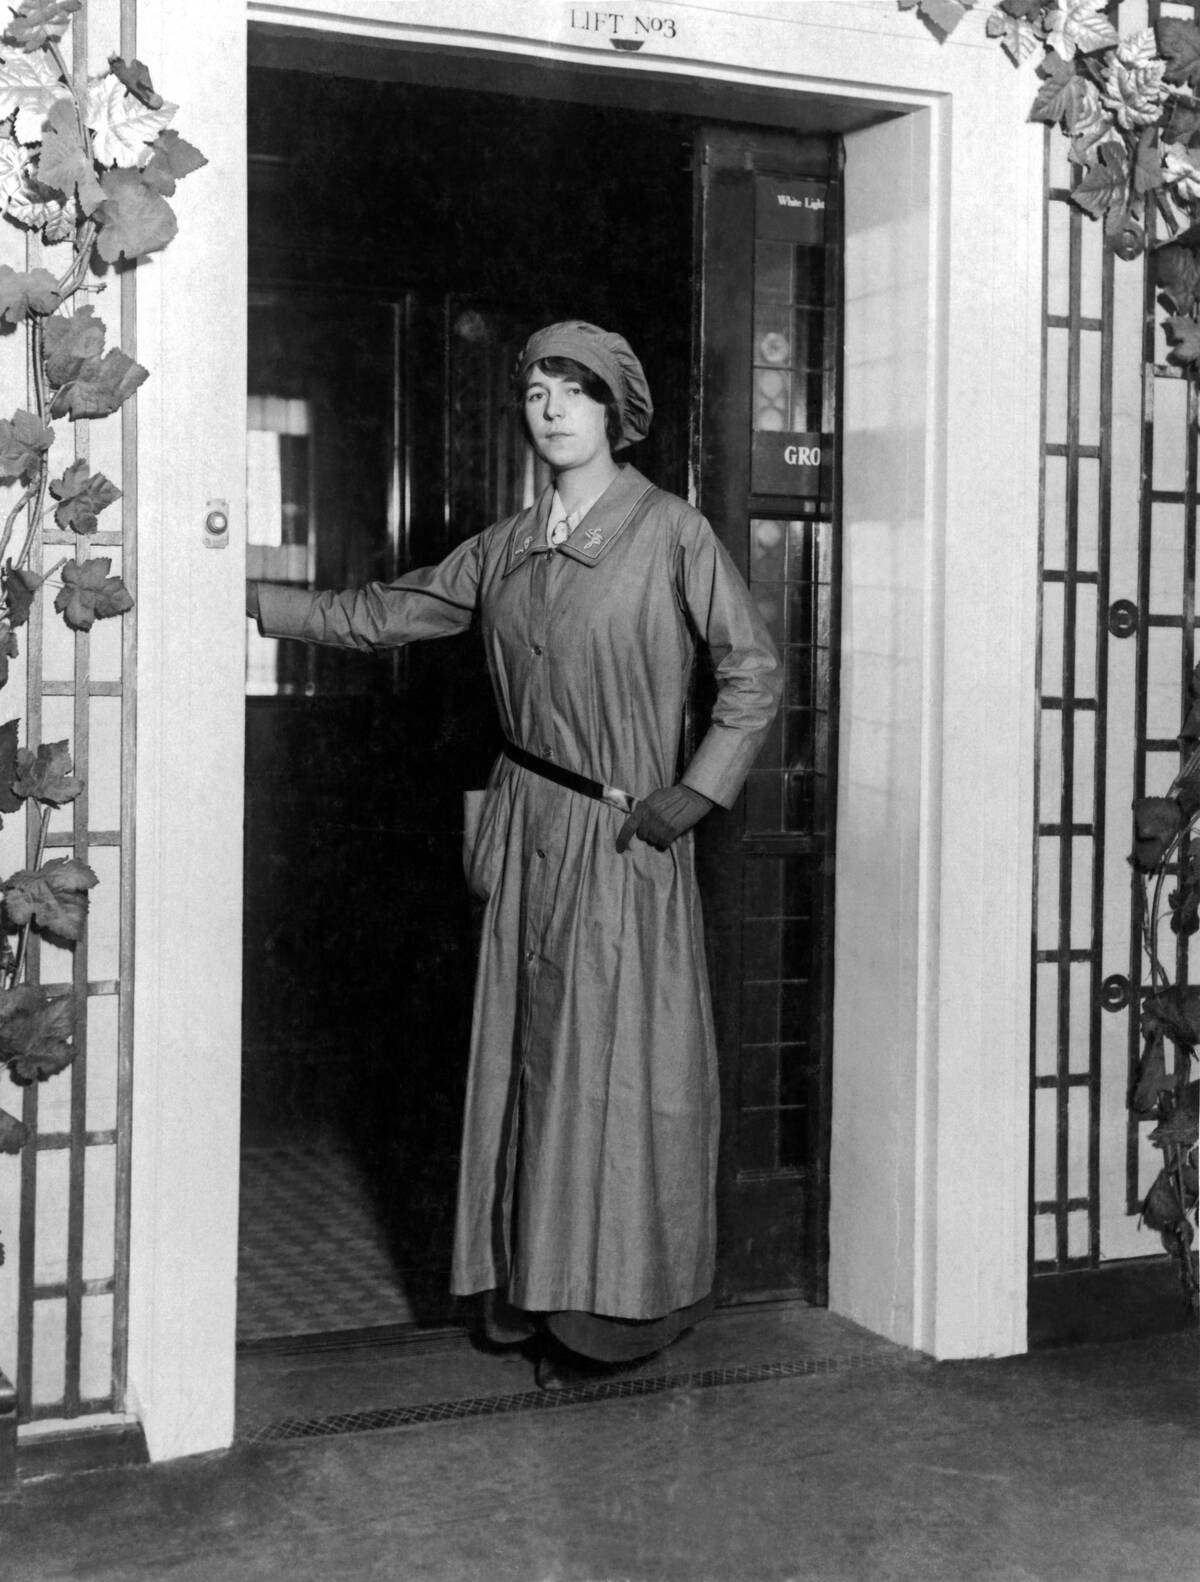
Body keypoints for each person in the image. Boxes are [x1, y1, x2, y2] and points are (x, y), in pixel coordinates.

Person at [247, 321, 782, 1388]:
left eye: (573, 390)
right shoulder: (505, 546)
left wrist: (695, 790)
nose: (549, 408)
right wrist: (247, 599)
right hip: (526, 829)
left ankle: (613, 1317)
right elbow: (386, 612)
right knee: (527, 1074)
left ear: (615, 410)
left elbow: (753, 670)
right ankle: (529, 1296)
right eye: (535, 390)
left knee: (611, 1079)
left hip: (624, 833)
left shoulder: (671, 532)